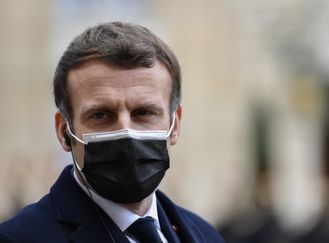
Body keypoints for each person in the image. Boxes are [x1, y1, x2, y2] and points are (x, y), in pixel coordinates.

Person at [0, 21, 225, 243]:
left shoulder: (205, 235)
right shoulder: (18, 238)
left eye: (144, 113)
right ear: (63, 130)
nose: (126, 130)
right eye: (100, 115)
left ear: (174, 125)